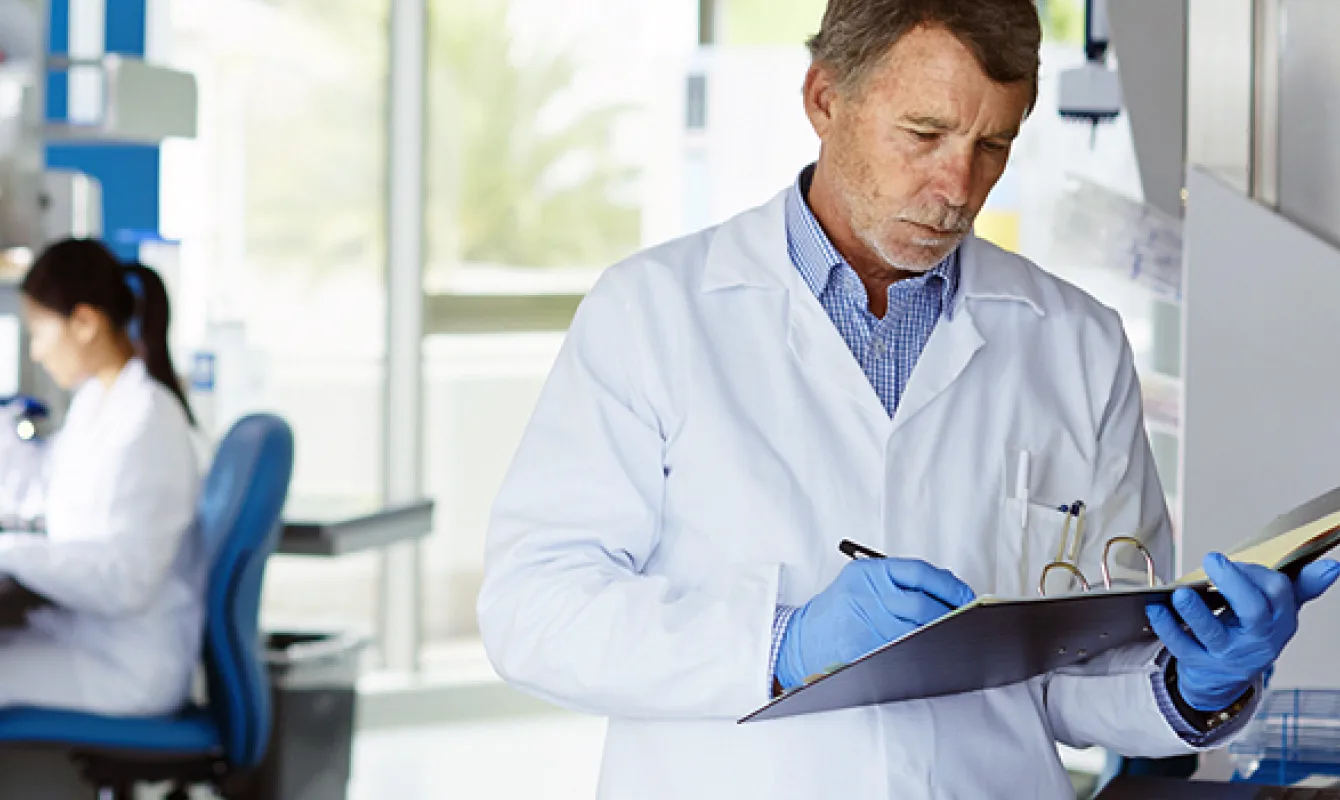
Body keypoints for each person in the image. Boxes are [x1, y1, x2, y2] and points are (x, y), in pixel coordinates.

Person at [477, 1, 1340, 798]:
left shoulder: (1074, 339)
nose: (958, 187)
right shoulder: (654, 311)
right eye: (923, 134)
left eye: (992, 146)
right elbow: (534, 613)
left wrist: (1198, 677)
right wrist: (784, 643)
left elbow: (1083, 681)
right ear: (824, 99)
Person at [0, 238, 202, 715]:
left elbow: (125, 581)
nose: (37, 353)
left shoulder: (147, 418)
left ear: (85, 323)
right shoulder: (99, 402)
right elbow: (55, 501)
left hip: (126, 664)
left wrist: (9, 552)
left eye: (40, 332)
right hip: (87, 634)